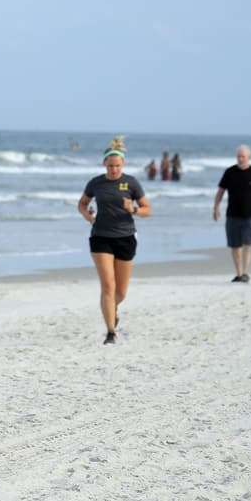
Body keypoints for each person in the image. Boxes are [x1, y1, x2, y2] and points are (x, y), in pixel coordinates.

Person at [77, 136, 152, 345]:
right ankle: (111, 332)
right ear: (104, 164)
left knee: (120, 292)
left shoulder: (131, 183)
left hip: (126, 238)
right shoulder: (96, 183)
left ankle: (113, 309)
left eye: (117, 166)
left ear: (123, 164)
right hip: (100, 237)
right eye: (110, 166)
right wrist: (87, 215)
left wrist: (134, 209)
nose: (114, 170)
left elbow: (148, 210)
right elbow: (82, 204)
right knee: (108, 286)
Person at [213, 145, 251, 283]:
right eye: (239, 156)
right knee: (235, 246)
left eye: (243, 156)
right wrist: (216, 207)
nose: (240, 159)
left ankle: (245, 273)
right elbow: (221, 191)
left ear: (249, 157)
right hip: (232, 215)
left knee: (247, 244)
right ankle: (239, 273)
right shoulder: (230, 172)